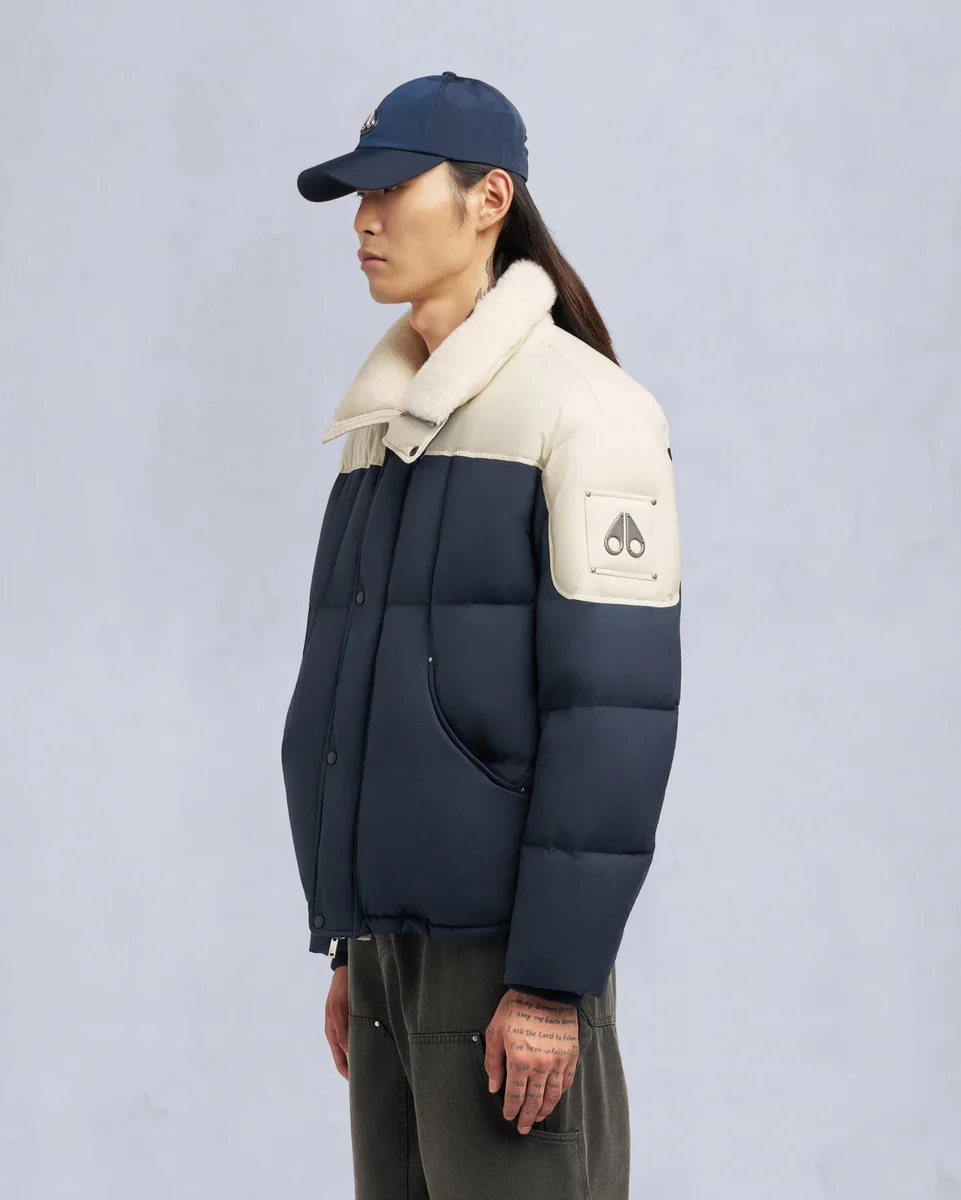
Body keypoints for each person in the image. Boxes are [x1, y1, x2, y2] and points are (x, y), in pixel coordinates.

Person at [281, 70, 682, 1199]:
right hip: (391, 952)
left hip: (505, 963)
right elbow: (365, 692)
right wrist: (356, 944)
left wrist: (551, 983)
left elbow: (612, 719)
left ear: (488, 199)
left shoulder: (585, 411)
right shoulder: (382, 425)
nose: (363, 222)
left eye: (391, 191)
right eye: (355, 199)